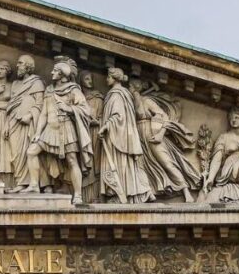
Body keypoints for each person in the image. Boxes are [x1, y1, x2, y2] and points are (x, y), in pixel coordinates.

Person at [21, 57, 94, 204]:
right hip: (49, 130)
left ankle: (78, 195)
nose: (51, 72)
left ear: (62, 75)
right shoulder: (49, 90)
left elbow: (86, 110)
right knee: (31, 152)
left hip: (66, 129)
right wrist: (37, 133)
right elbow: (44, 114)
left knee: (72, 160)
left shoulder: (73, 90)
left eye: (55, 71)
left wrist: (69, 108)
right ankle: (34, 185)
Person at [129, 79, 199, 202]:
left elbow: (164, 117)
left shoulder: (147, 101)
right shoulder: (131, 103)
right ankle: (148, 193)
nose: (128, 88)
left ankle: (186, 192)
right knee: (140, 166)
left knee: (167, 163)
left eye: (129, 86)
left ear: (135, 88)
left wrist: (160, 135)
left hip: (153, 137)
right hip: (139, 139)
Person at [98, 68, 154, 204]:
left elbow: (118, 116)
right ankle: (134, 192)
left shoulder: (117, 94)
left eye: (108, 77)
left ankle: (125, 193)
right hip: (121, 136)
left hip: (118, 137)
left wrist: (105, 127)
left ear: (114, 78)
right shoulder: (122, 93)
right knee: (128, 166)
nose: (106, 80)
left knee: (121, 164)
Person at [5, 55, 47, 192]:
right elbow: (10, 105)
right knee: (15, 153)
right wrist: (6, 123)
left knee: (26, 151)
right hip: (13, 121)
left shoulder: (37, 83)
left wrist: (29, 115)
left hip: (28, 123)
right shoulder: (15, 84)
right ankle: (20, 182)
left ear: (28, 66)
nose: (17, 66)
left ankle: (29, 183)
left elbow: (40, 104)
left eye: (20, 63)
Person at [79, 71, 105, 203]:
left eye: (91, 78)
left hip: (94, 133)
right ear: (81, 80)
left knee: (94, 163)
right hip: (80, 133)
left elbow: (100, 117)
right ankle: (80, 195)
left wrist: (96, 122)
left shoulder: (98, 97)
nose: (90, 81)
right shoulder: (78, 96)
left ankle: (95, 196)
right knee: (81, 162)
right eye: (86, 78)